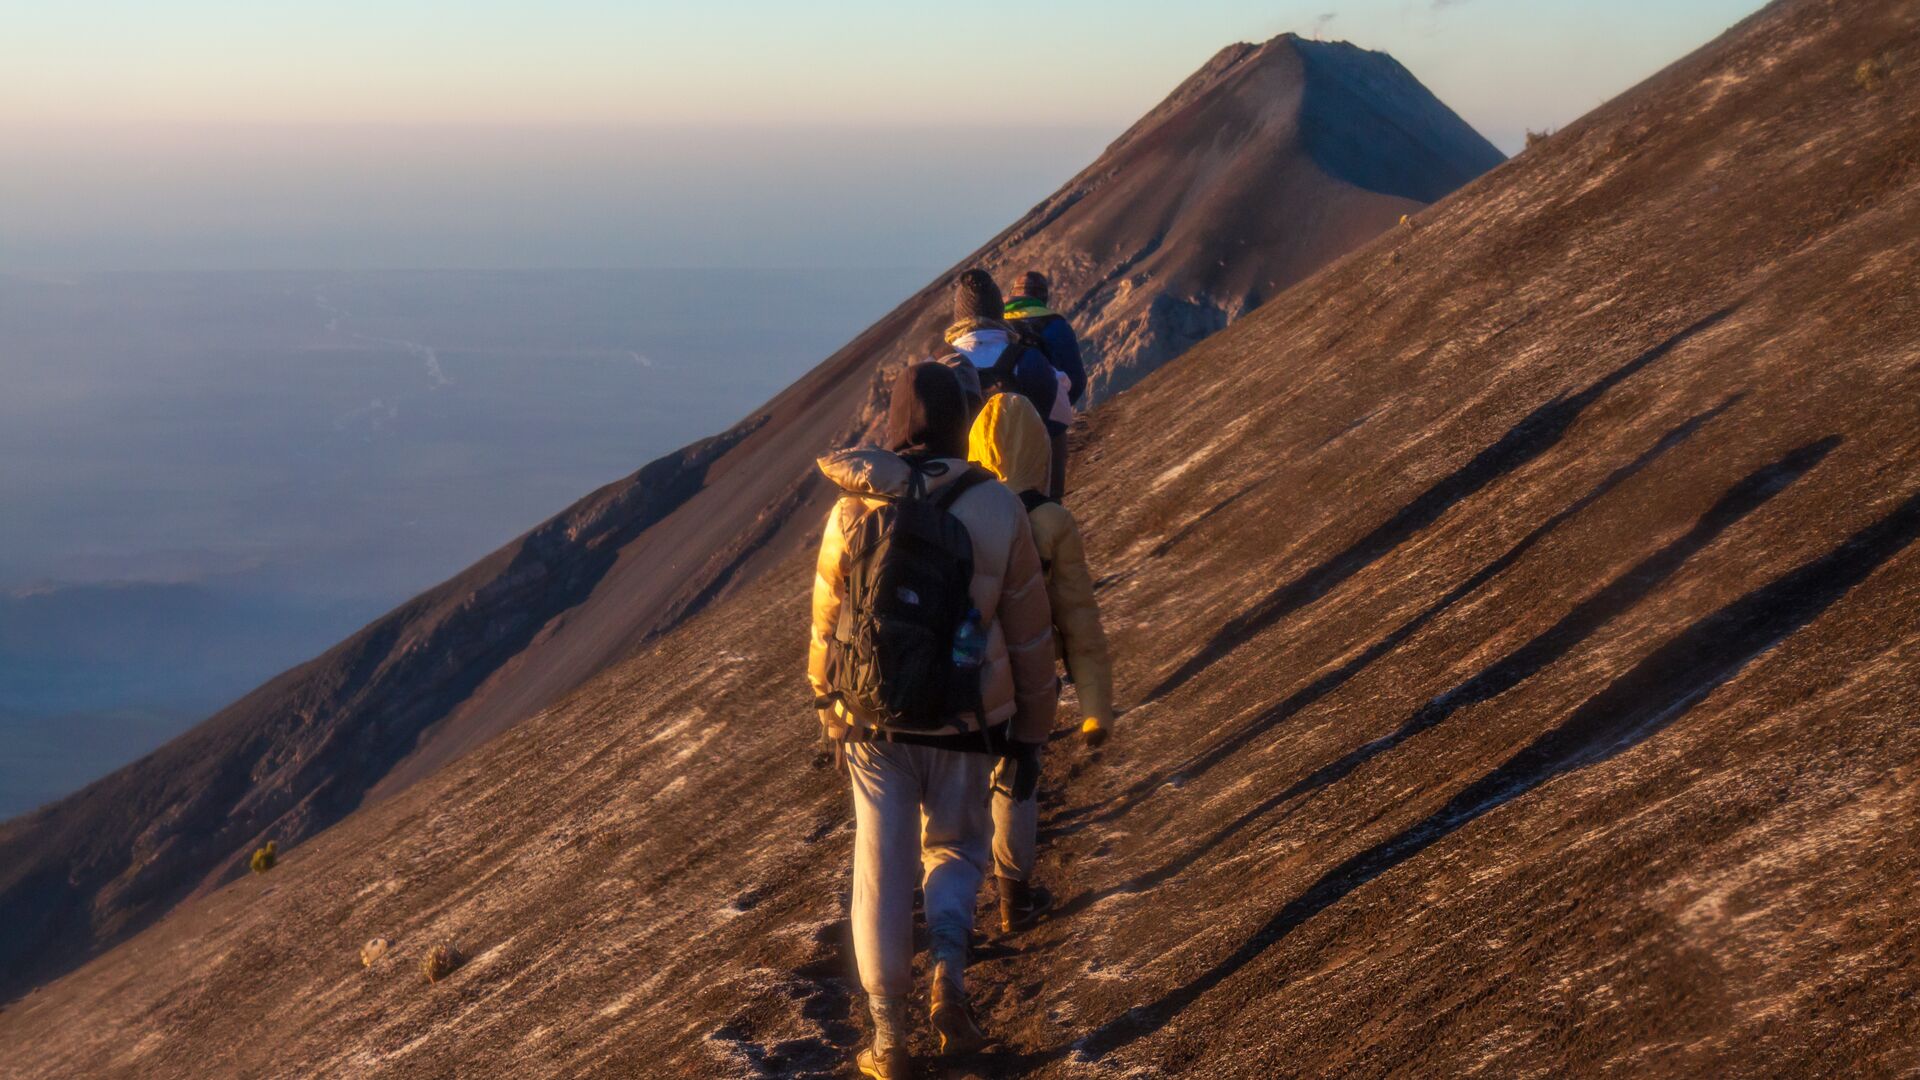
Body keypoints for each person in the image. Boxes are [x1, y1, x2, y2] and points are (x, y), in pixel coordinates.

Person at [809, 362, 1058, 1078]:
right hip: (964, 718)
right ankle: (951, 970)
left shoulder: (852, 506)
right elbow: (1030, 633)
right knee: (954, 849)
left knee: (879, 870)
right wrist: (1031, 734)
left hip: (872, 725)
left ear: (892, 428)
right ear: (959, 425)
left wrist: (830, 713)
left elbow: (827, 629)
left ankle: (888, 1041)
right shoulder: (997, 505)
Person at [968, 392, 1117, 934]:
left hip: (968, 671)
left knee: (957, 784)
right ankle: (1014, 896)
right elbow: (1079, 617)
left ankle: (949, 917)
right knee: (1018, 771)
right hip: (1030, 675)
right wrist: (1094, 709)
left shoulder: (966, 511)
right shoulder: (1051, 519)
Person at [938, 269, 1059, 435]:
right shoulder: (1029, 360)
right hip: (1020, 456)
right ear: (999, 310)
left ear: (959, 315)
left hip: (962, 459)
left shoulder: (938, 367)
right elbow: (1058, 419)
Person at [1002, 270, 1087, 498]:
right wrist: (1055, 413)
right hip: (1045, 426)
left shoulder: (996, 324)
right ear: (1044, 297)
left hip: (1000, 424)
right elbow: (1076, 380)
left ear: (1012, 295)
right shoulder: (1055, 325)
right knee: (1048, 499)